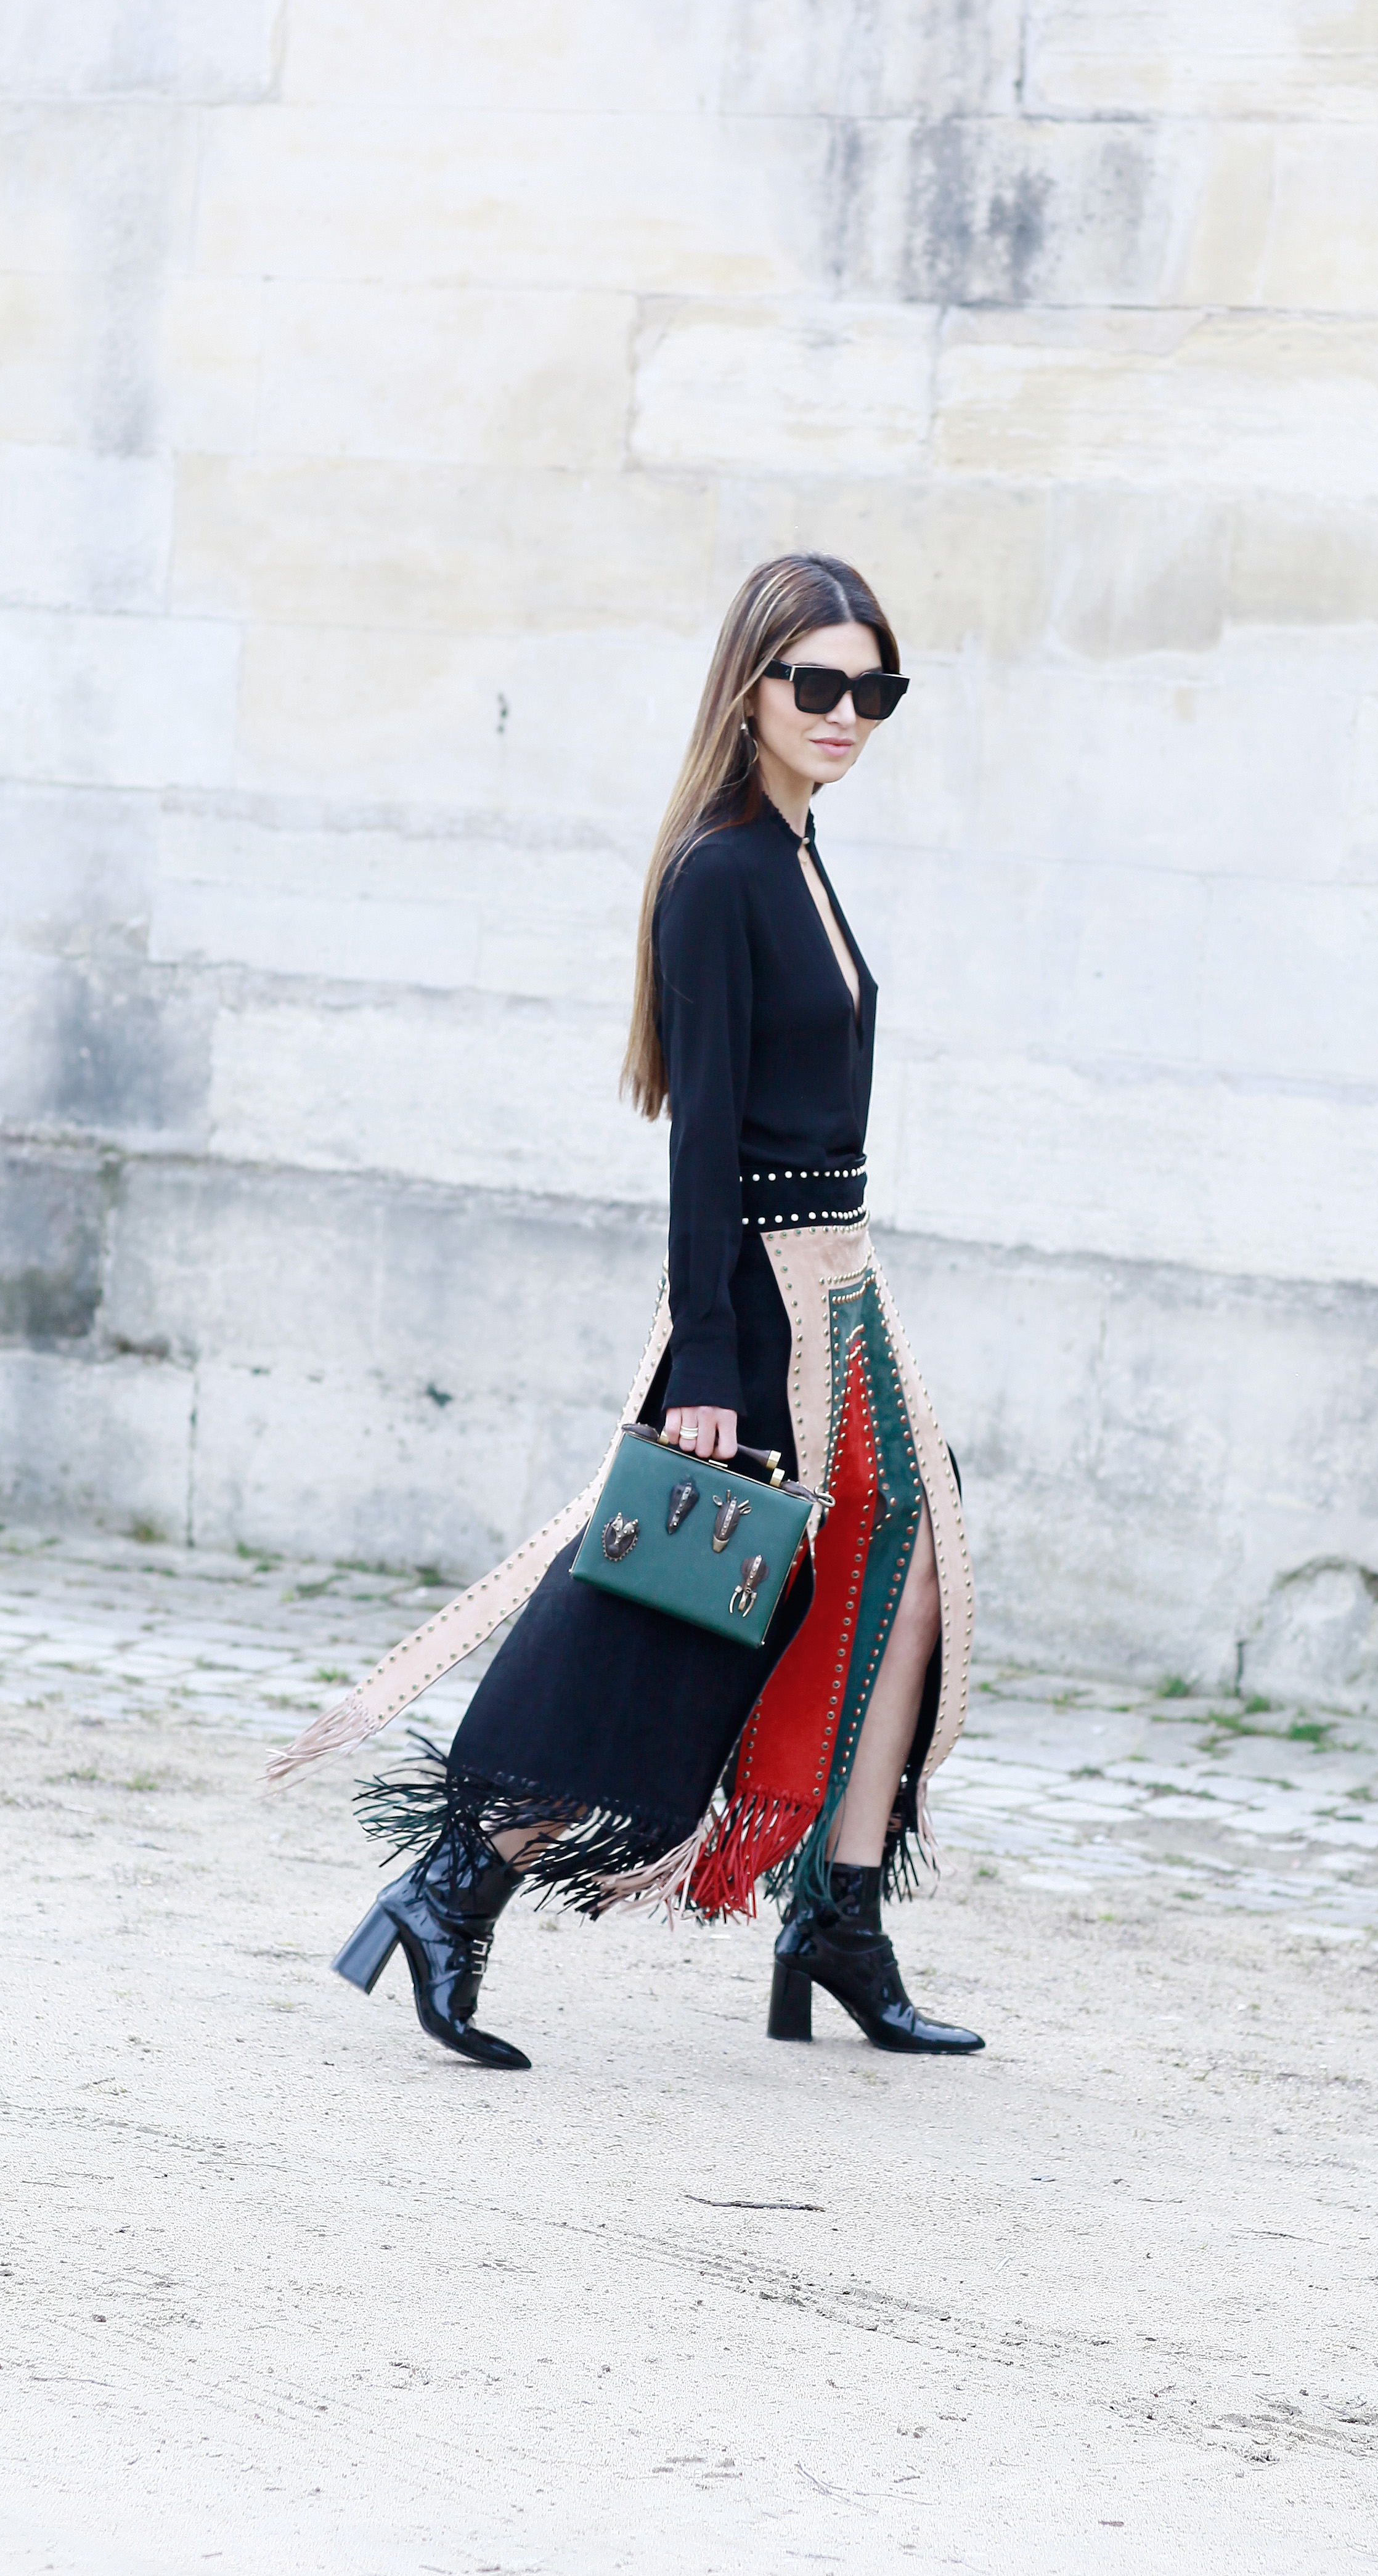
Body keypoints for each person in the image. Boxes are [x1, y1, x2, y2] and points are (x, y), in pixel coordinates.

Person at [269, 555, 981, 2069]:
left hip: (843, 1287)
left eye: (875, 688)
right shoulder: (721, 871)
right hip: (764, 1298)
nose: (847, 712)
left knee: (902, 1577)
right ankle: (455, 1885)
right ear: (750, 686)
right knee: (672, 1606)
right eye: (818, 682)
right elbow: (701, 1137)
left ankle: (835, 1917)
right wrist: (710, 1356)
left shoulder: (795, 850)